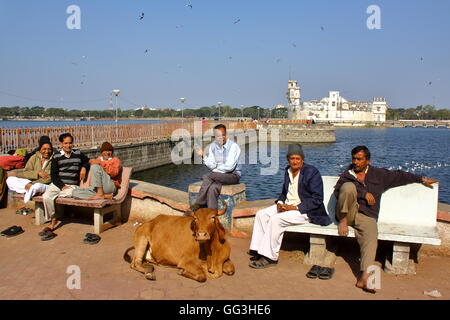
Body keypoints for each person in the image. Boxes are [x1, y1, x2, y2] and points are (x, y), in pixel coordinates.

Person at [334, 145, 438, 293]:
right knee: (348, 187)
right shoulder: (347, 173)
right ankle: (343, 222)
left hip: (366, 215)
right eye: (354, 158)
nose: (355, 162)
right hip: (346, 214)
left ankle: (364, 278)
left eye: (359, 159)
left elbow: (400, 176)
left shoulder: (379, 175)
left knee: (371, 239)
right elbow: (338, 192)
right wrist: (363, 193)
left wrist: (422, 179)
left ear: (367, 161)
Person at [248, 144, 331, 269]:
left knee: (276, 219)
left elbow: (317, 199)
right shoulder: (287, 171)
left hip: (305, 211)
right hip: (287, 207)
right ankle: (258, 249)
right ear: (288, 159)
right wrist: (280, 204)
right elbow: (283, 193)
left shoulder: (311, 172)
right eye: (292, 158)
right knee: (261, 214)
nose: (295, 161)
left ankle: (270, 257)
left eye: (298, 158)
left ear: (302, 160)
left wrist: (294, 208)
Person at [40, 133, 90, 240]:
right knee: (46, 197)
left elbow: (87, 161)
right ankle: (53, 218)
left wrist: (84, 168)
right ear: (61, 144)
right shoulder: (56, 157)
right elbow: (53, 175)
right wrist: (62, 186)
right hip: (59, 184)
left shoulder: (78, 153)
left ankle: (60, 200)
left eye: (70, 143)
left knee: (72, 193)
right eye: (66, 143)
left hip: (72, 185)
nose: (68, 145)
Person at [192, 124, 241, 210]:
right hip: (219, 176)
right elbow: (212, 165)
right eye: (218, 136)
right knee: (213, 188)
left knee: (207, 176)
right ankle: (212, 214)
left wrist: (215, 170)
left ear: (226, 134)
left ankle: (198, 203)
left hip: (233, 176)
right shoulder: (213, 146)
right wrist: (203, 155)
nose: (221, 137)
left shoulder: (233, 147)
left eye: (223, 135)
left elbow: (229, 167)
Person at [6, 139, 54, 203]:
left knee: (38, 186)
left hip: (44, 185)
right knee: (10, 180)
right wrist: (37, 173)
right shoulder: (34, 157)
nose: (47, 151)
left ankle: (29, 190)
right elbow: (26, 172)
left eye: (49, 149)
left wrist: (31, 183)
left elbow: (49, 178)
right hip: (30, 183)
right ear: (40, 150)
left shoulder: (54, 160)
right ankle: (30, 190)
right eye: (44, 149)